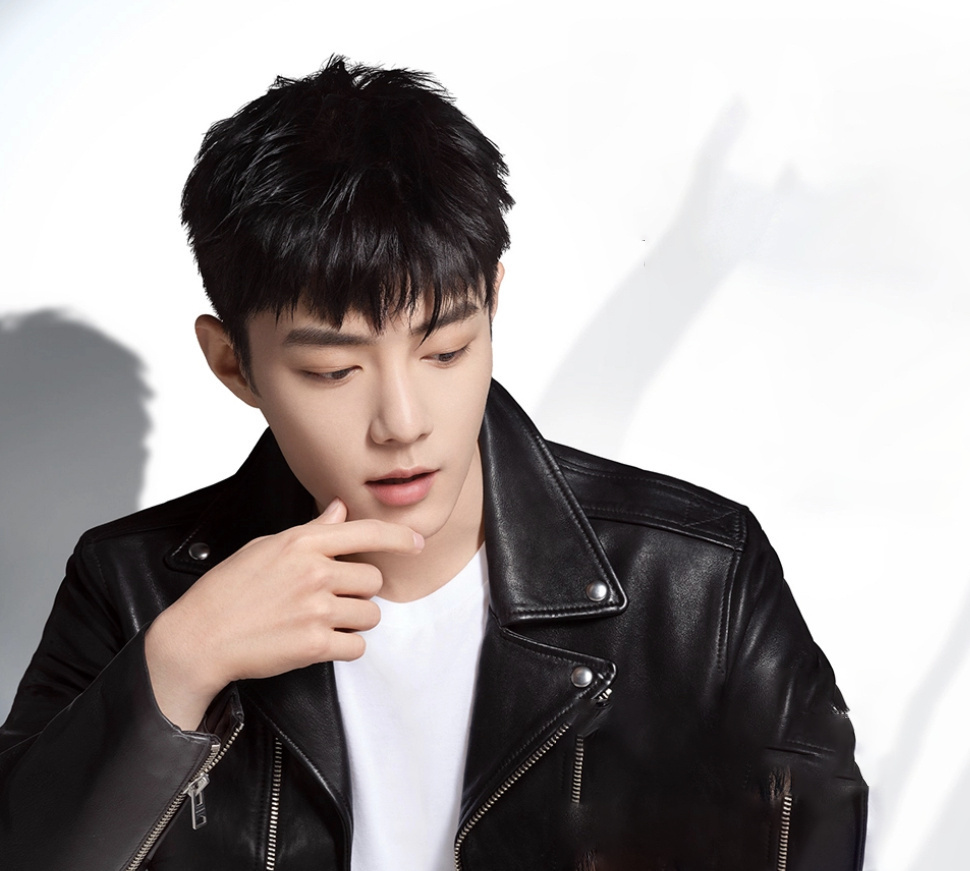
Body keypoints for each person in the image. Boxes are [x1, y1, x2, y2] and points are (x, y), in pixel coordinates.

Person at [0, 57, 866, 870]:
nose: (404, 423)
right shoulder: (132, 589)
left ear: (493, 305)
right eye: (333, 370)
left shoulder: (699, 580)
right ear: (234, 364)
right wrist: (180, 664)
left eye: (446, 350)